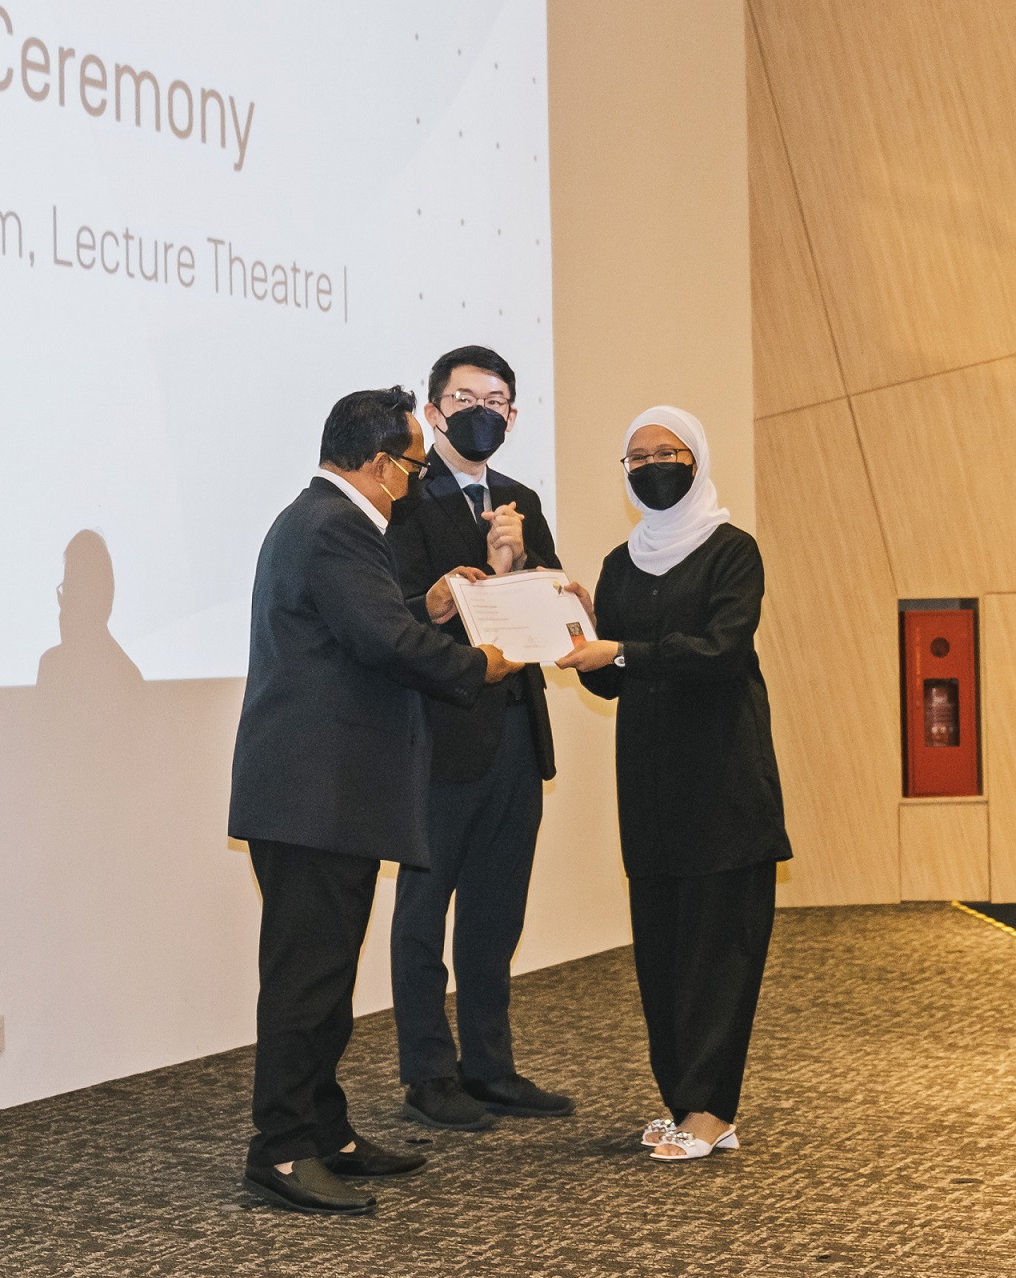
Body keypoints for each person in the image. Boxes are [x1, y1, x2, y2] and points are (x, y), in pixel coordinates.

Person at [227, 386, 522, 1215]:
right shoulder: (334, 525)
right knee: (304, 982)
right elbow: (383, 643)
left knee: (325, 975)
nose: (415, 482)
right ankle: (282, 1150)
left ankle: (326, 1132)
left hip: (326, 795)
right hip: (312, 797)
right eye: (414, 466)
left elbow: (363, 627)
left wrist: (430, 605)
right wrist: (480, 664)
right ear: (380, 461)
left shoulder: (326, 523)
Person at [557, 405, 790, 1163]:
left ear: (698, 458)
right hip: (652, 789)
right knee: (661, 954)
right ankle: (683, 1102)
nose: (653, 465)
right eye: (638, 457)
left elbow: (720, 651)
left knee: (719, 954)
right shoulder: (621, 565)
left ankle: (713, 1109)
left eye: (669, 451)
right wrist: (589, 644)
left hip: (724, 783)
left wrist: (622, 648)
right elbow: (611, 686)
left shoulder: (732, 551)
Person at [385, 345, 573, 1130]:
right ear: (433, 412)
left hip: (517, 739)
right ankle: (429, 1074)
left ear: (514, 416)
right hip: (438, 740)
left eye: (496, 401)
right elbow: (393, 617)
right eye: (465, 398)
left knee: (497, 911)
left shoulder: (521, 500)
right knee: (424, 912)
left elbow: (556, 620)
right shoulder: (401, 499)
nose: (481, 412)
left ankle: (490, 1065)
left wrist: (518, 563)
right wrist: (471, 580)